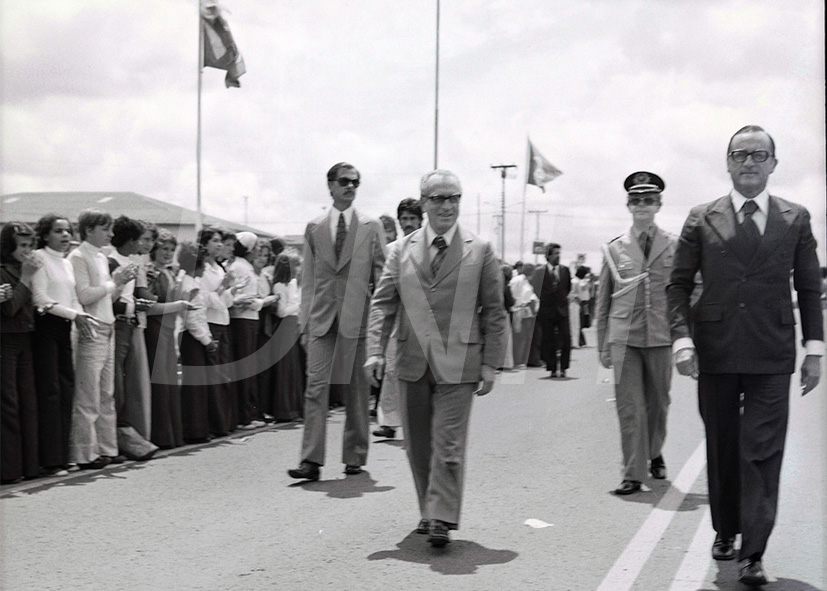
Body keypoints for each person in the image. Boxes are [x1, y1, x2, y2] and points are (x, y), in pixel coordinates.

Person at [667, 125, 823, 587]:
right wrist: (682, 340)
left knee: (762, 451)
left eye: (760, 155)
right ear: (728, 163)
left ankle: (753, 552)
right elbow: (677, 285)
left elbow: (810, 287)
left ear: (773, 164)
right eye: (740, 155)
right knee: (723, 446)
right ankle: (726, 528)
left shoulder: (795, 218)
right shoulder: (701, 217)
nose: (750, 163)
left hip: (771, 353)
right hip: (713, 352)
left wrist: (813, 349)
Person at [365, 169, 507, 547]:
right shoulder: (400, 251)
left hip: (460, 364)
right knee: (417, 444)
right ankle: (428, 510)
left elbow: (495, 310)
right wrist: (375, 351)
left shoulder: (480, 249)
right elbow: (383, 304)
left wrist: (492, 363)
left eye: (454, 198)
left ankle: (441, 517)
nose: (447, 206)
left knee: (448, 443)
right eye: (439, 199)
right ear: (424, 203)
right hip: (411, 361)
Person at [287, 162, 386, 481]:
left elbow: (382, 277)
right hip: (321, 320)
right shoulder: (315, 227)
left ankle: (354, 455)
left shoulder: (371, 226)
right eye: (344, 181)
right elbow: (309, 278)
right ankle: (310, 460)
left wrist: (379, 326)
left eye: (356, 182)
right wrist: (304, 322)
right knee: (315, 388)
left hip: (359, 319)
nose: (351, 186)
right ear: (330, 185)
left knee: (357, 390)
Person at [595, 171, 676, 496]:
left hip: (661, 337)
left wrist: (689, 338)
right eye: (636, 200)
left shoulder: (674, 245)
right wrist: (603, 344)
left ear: (658, 204)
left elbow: (687, 293)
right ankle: (632, 472)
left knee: (659, 405)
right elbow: (603, 302)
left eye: (649, 200)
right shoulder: (615, 249)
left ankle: (654, 451)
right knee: (630, 407)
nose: (642, 205)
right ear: (629, 205)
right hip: (624, 339)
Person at [29, 215, 97, 475]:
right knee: (50, 392)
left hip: (65, 327)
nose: (66, 235)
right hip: (45, 327)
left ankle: (64, 454)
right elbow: (40, 298)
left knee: (67, 390)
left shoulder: (66, 263)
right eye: (58, 231)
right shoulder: (39, 258)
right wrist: (74, 315)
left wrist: (80, 318)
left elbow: (72, 298)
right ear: (45, 235)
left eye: (68, 231)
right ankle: (50, 459)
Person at [68, 209, 134, 469]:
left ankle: (107, 448)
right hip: (92, 330)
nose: (111, 233)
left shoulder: (100, 256)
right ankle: (85, 454)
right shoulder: (78, 256)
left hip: (108, 327)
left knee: (106, 393)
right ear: (89, 230)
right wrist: (112, 283)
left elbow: (107, 296)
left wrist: (118, 286)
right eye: (105, 229)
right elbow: (84, 295)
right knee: (88, 394)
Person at [107, 216, 158, 462]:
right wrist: (132, 307)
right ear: (129, 240)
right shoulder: (110, 261)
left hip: (129, 325)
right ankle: (115, 439)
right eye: (138, 239)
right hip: (116, 326)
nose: (142, 244)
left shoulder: (131, 262)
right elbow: (110, 298)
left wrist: (139, 305)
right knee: (115, 384)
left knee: (125, 384)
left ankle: (126, 437)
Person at [373, 198, 423, 440]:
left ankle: (422, 422)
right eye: (404, 219)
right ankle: (390, 421)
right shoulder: (393, 248)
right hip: (398, 316)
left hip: (425, 317)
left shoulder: (430, 245)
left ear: (420, 220)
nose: (408, 223)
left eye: (412, 218)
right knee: (392, 368)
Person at [145, 229, 193, 449]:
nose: (168, 253)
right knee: (161, 381)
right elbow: (150, 307)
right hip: (155, 331)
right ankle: (162, 436)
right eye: (164, 249)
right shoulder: (150, 273)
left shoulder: (170, 273)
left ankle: (173, 435)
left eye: (172, 250)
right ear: (154, 249)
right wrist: (178, 305)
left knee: (170, 380)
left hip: (170, 329)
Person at [1, 222, 40, 483]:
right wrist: (25, 279)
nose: (27, 251)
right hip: (6, 341)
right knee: (8, 404)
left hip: (25, 339)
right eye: (21, 246)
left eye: (29, 245)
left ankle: (30, 466)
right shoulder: (4, 271)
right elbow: (10, 309)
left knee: (27, 402)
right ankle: (9, 469)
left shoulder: (27, 268)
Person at [227, 231, 265, 429]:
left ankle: (249, 412)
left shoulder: (243, 266)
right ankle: (245, 415)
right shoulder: (240, 268)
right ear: (249, 248)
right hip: (243, 321)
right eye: (256, 245)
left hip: (248, 320)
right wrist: (260, 302)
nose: (259, 249)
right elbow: (243, 300)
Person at [270, 251, 304, 422]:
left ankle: (294, 408)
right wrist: (298, 306)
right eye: (296, 265)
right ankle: (285, 410)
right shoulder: (279, 286)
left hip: (293, 327)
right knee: (286, 369)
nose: (299, 269)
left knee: (294, 369)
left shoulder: (293, 284)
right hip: (284, 328)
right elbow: (281, 311)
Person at [531, 243, 571, 377]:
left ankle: (564, 367)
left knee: (566, 338)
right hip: (547, 310)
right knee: (549, 340)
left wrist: (560, 298)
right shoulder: (539, 271)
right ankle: (552, 368)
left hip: (562, 310)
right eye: (555, 254)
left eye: (559, 253)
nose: (558, 256)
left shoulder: (565, 270)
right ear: (548, 256)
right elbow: (535, 288)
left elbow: (567, 288)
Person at [509, 261, 538, 369]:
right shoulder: (526, 284)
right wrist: (534, 312)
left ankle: (515, 360)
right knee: (524, 338)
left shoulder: (514, 280)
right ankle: (520, 361)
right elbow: (530, 299)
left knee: (516, 337)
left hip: (514, 310)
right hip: (524, 312)